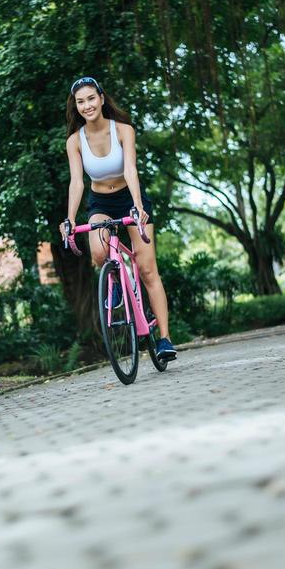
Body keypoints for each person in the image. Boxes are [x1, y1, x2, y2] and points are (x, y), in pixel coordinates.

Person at [60, 75, 177, 361]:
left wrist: (137, 206)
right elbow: (77, 182)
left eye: (91, 98)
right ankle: (117, 277)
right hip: (100, 201)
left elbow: (130, 171)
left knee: (149, 269)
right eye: (80, 101)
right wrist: (70, 219)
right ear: (76, 107)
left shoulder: (123, 130)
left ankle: (164, 339)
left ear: (101, 98)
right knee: (98, 252)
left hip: (129, 197)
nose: (87, 105)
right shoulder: (74, 141)